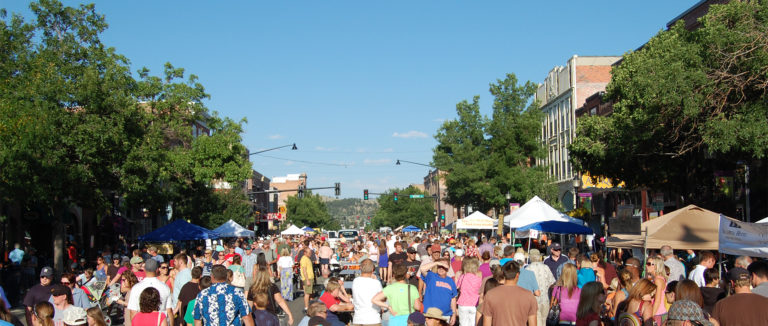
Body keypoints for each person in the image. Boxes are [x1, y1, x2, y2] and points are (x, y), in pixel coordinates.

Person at [480, 260, 537, 326]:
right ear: (517, 275)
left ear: (503, 274)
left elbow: (486, 324)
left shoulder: (490, 294)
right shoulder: (529, 296)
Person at [126, 259, 173, 326]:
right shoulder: (165, 287)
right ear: (157, 269)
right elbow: (169, 311)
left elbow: (133, 312)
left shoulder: (136, 288)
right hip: (161, 322)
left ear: (144, 269)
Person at [419, 259, 457, 325]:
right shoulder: (431, 276)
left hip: (445, 315)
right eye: (439, 266)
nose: (441, 268)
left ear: (448, 268)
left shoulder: (451, 281)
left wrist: (454, 314)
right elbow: (422, 269)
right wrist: (436, 263)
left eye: (444, 267)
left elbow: (453, 299)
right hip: (430, 315)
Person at [526, 249, 556, 326]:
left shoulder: (528, 269)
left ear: (530, 257)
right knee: (543, 322)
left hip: (533, 301)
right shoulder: (546, 267)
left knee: (537, 322)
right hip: (545, 300)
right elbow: (552, 283)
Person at [352, 259, 382, 326]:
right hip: (373, 319)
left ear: (361, 268)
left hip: (358, 319)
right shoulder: (376, 283)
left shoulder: (355, 281)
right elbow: (382, 298)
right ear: (372, 269)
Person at [455, 257, 481, 326]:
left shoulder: (462, 276)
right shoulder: (478, 278)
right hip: (474, 304)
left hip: (463, 303)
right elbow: (480, 290)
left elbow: (457, 287)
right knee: (473, 323)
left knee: (463, 323)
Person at [645, 256, 667, 323]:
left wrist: (651, 316)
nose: (646, 265)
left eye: (649, 264)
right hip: (658, 312)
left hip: (657, 313)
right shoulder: (658, 279)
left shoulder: (658, 280)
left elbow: (657, 300)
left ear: (655, 266)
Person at [300, 247, 316, 312]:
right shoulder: (304, 259)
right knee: (307, 293)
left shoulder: (307, 258)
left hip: (310, 277)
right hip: (308, 278)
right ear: (305, 253)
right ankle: (306, 307)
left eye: (311, 252)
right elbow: (304, 270)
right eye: (309, 253)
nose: (310, 254)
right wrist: (307, 280)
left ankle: (311, 305)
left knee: (310, 292)